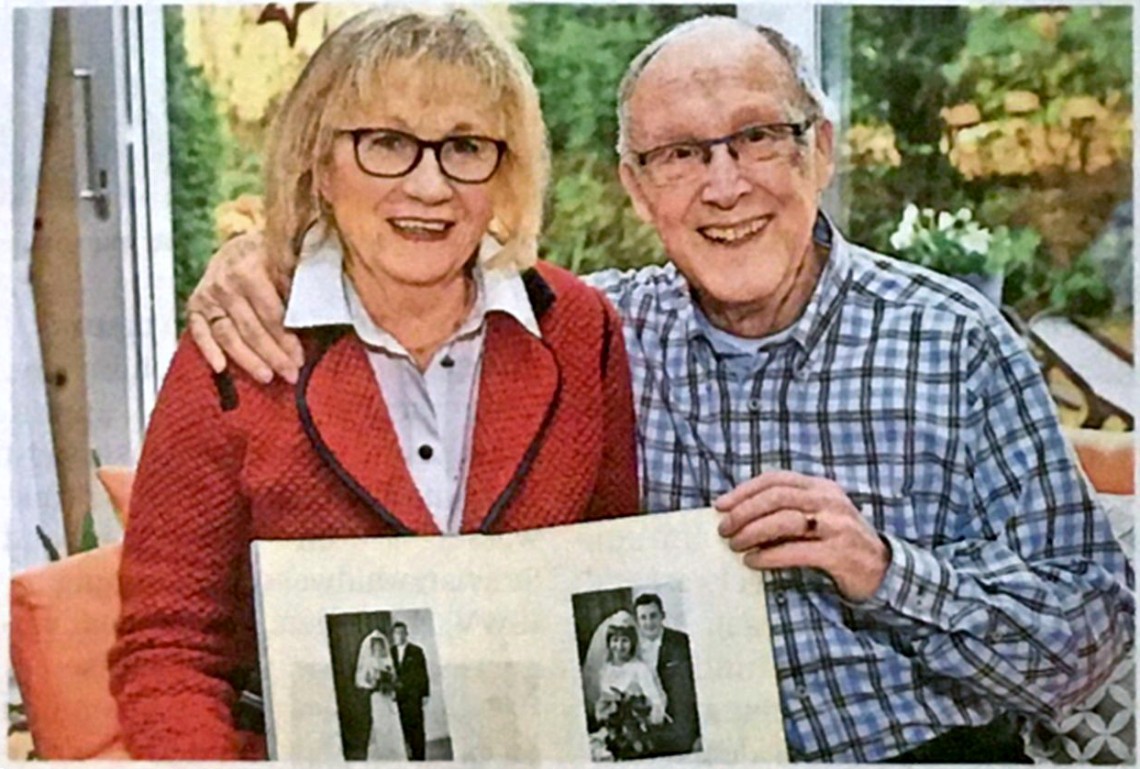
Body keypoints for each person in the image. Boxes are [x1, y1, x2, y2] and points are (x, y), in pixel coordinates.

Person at [187, 14, 1134, 764]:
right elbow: (419, 267)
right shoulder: (592, 334)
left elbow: (1091, 642)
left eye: (757, 137)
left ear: (819, 150)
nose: (723, 186)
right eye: (679, 154)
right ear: (637, 188)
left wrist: (883, 568)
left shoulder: (953, 341)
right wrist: (264, 261)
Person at [108, 8, 640, 760]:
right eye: (386, 142)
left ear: (505, 170)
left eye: (465, 147)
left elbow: (610, 584)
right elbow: (170, 651)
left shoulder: (579, 329)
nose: (429, 185)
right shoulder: (238, 339)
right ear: (321, 164)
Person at [632, 594, 698, 755]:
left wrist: (699, 733)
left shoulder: (682, 642)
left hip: (681, 726)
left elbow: (695, 686)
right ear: (637, 621)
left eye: (653, 616)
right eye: (643, 617)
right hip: (646, 726)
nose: (649, 622)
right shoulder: (631, 647)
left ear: (663, 615)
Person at [354, 631, 405, 760]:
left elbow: (394, 677)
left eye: (380, 645)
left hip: (389, 697)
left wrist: (391, 683)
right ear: (371, 647)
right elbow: (360, 681)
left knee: (393, 724)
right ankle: (384, 755)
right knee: (381, 725)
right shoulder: (369, 662)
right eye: (375, 646)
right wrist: (373, 684)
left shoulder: (387, 661)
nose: (378, 648)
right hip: (377, 697)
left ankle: (396, 755)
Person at [390, 622, 430, 760]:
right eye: (397, 633)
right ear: (393, 635)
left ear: (407, 634)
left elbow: (423, 673)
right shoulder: (390, 652)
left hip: (413, 696)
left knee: (416, 728)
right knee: (403, 728)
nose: (399, 636)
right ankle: (409, 757)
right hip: (398, 697)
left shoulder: (416, 651)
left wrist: (425, 694)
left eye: (402, 633)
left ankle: (420, 758)